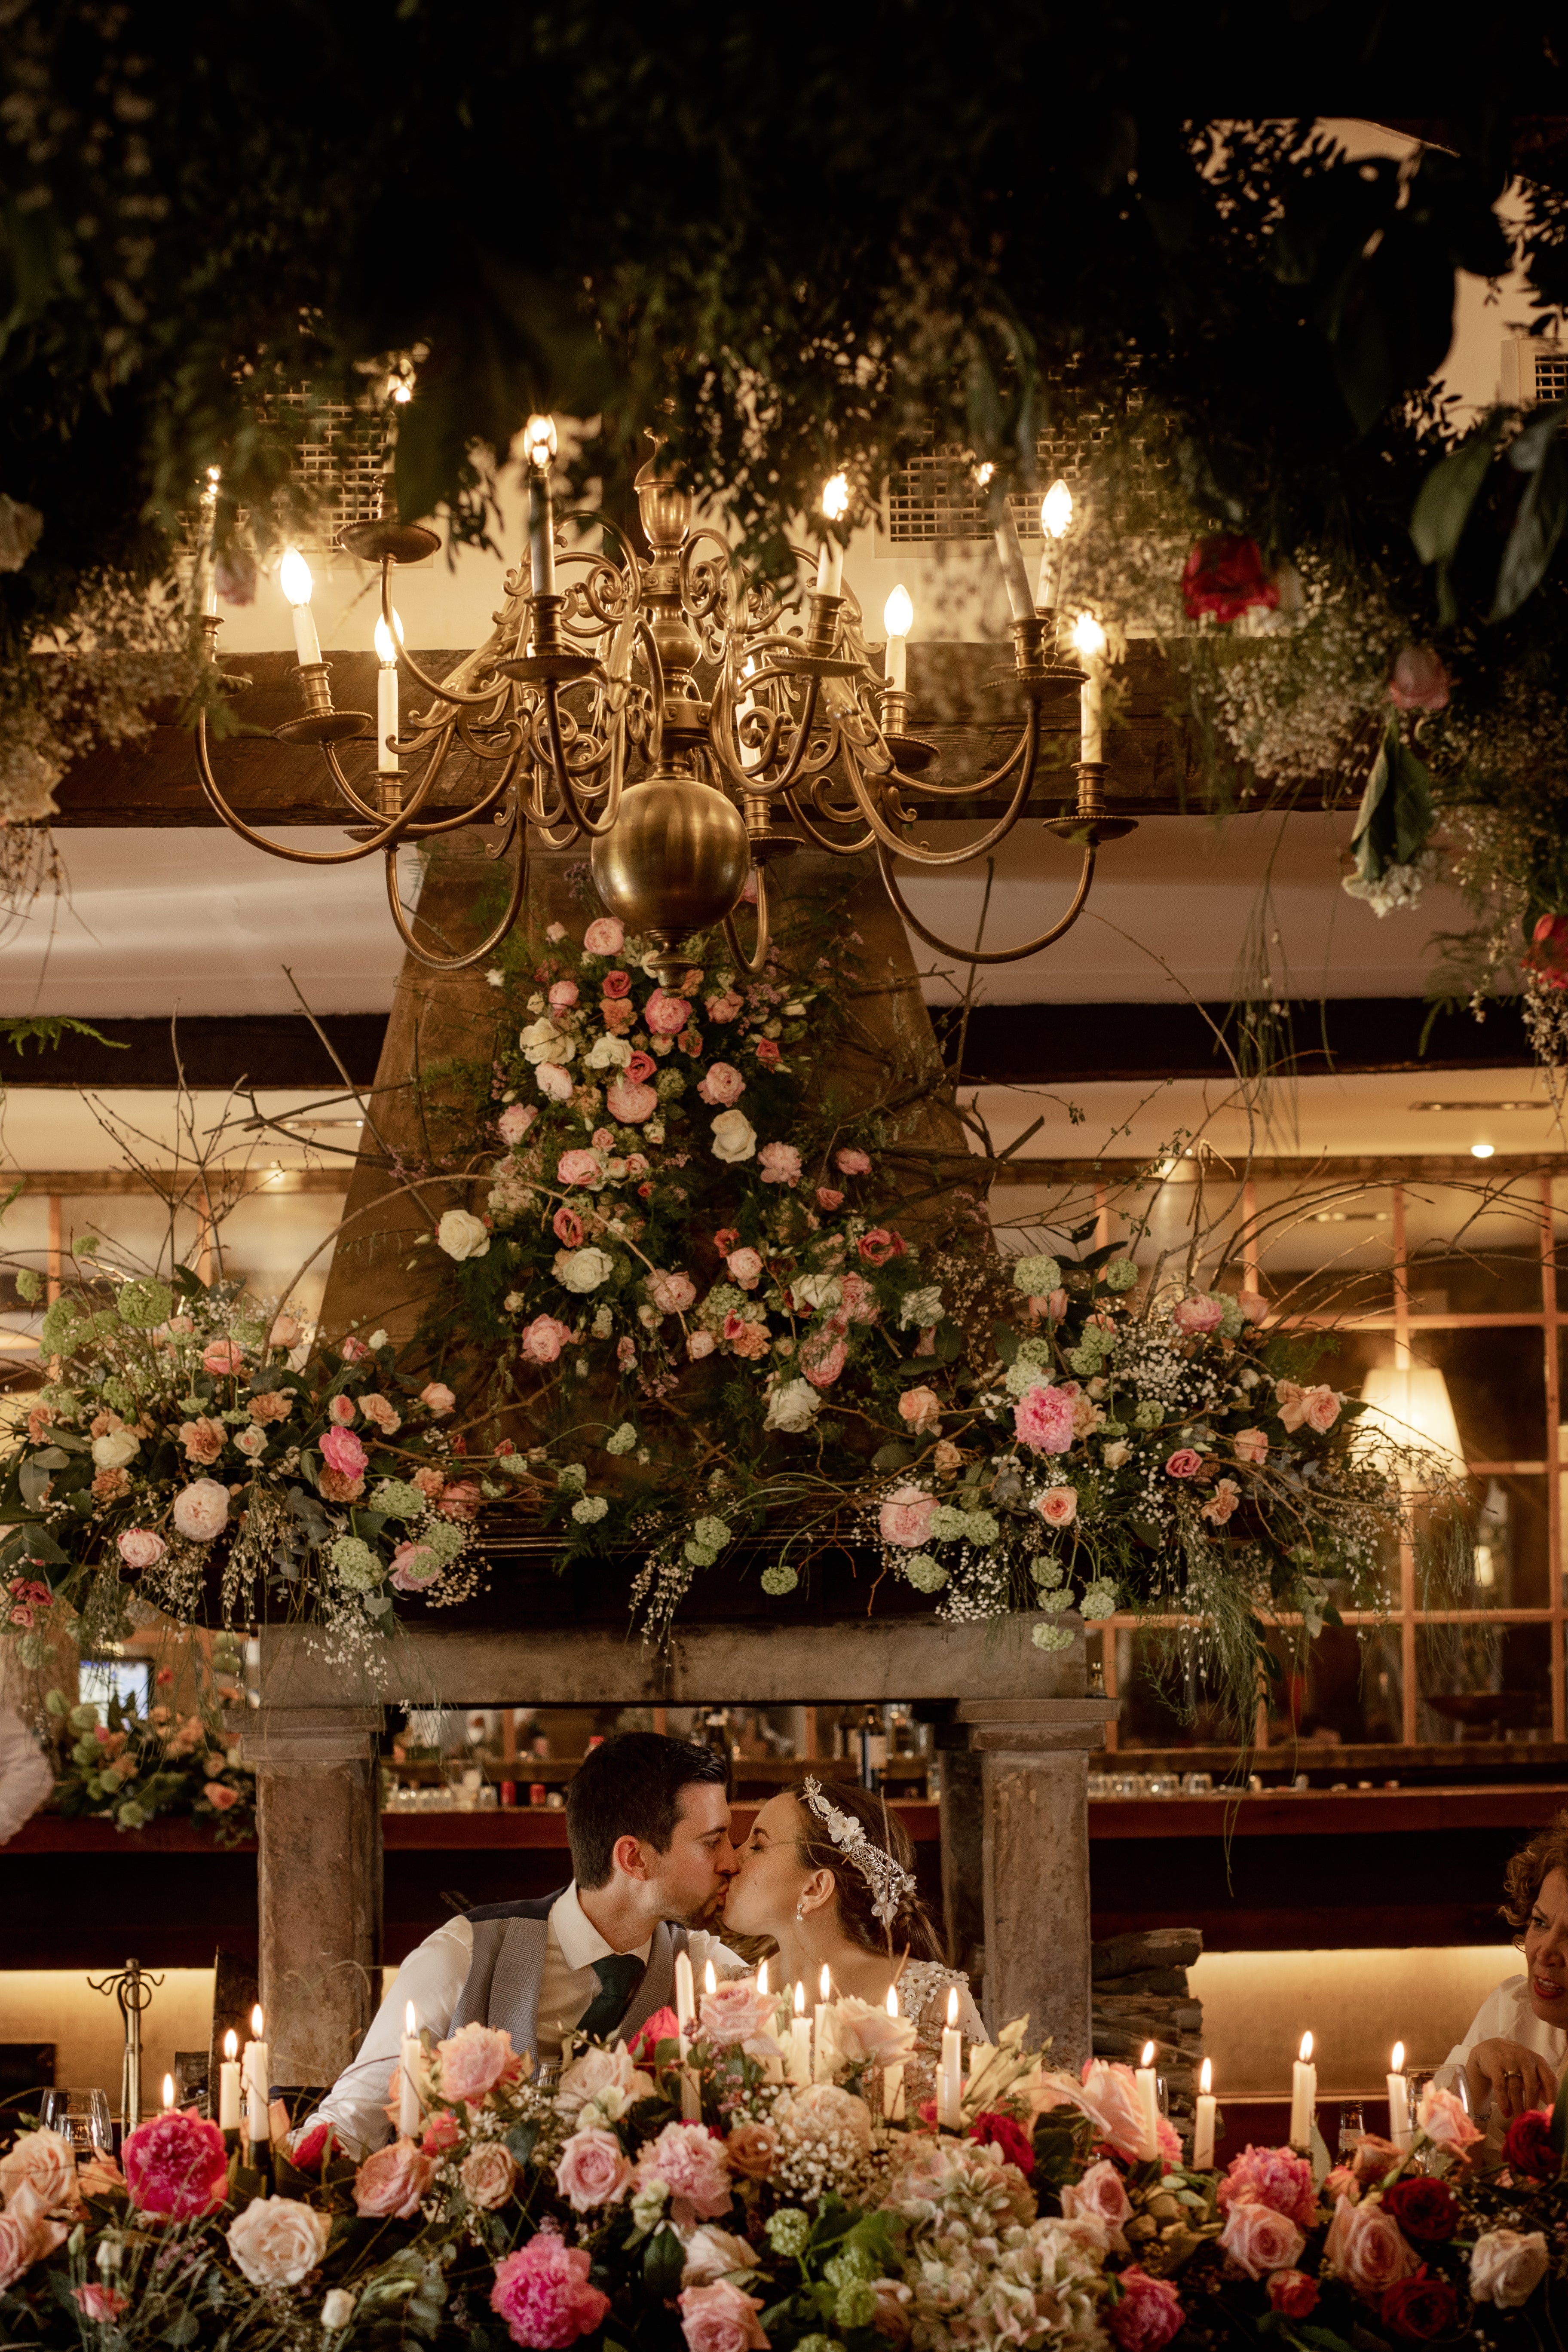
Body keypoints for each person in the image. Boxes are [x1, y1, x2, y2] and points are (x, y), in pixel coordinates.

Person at [309, 1731, 741, 2153]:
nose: (732, 1861)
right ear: (634, 1858)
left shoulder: (707, 1972)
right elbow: (347, 2125)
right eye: (713, 1841)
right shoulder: (464, 1953)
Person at [723, 1773, 986, 2100]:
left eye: (757, 1846)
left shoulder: (933, 2000)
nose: (731, 1860)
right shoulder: (729, 2004)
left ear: (815, 1888)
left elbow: (985, 2125)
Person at [1435, 1810, 1568, 2122]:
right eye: (1540, 1922)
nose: (1545, 1952)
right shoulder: (1510, 2010)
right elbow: (1436, 2167)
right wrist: (1475, 2077)